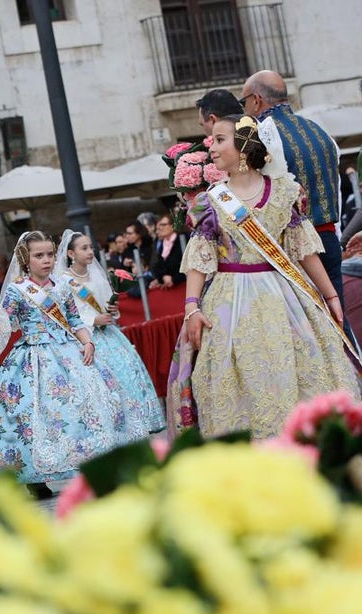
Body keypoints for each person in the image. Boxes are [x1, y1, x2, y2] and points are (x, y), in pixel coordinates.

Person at [167, 115, 359, 439]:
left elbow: (303, 251)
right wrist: (192, 307)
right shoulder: (211, 201)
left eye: (219, 139)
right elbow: (200, 258)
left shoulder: (284, 192)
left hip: (285, 296)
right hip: (229, 301)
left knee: (301, 369)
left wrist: (330, 297)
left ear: (243, 146)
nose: (211, 147)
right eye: (211, 140)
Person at [0, 231, 136, 494]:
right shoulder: (17, 290)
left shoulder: (63, 286)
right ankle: (33, 476)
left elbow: (75, 321)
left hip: (68, 351)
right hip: (31, 357)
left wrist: (88, 342)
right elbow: (2, 331)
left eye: (50, 254)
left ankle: (91, 463)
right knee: (27, 413)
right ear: (26, 259)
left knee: (84, 406)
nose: (46, 260)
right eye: (38, 255)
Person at [241, 71, 348, 333]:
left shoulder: (262, 135)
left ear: (256, 99)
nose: (244, 108)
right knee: (339, 324)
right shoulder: (318, 130)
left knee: (308, 333)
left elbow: (267, 195)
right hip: (330, 239)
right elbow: (336, 188)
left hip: (295, 249)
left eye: (243, 101)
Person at [56, 229, 165, 434]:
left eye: (91, 247)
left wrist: (112, 311)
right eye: (84, 248)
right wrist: (93, 320)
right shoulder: (63, 281)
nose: (90, 252)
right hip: (86, 337)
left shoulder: (98, 275)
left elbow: (108, 306)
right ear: (71, 254)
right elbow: (65, 313)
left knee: (126, 374)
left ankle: (138, 422)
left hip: (110, 336)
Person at [147, 214, 185, 289]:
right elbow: (157, 266)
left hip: (183, 284)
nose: (160, 228)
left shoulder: (182, 240)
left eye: (163, 225)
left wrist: (173, 279)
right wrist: (163, 277)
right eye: (160, 225)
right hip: (171, 286)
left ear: (173, 226)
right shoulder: (163, 244)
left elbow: (184, 265)